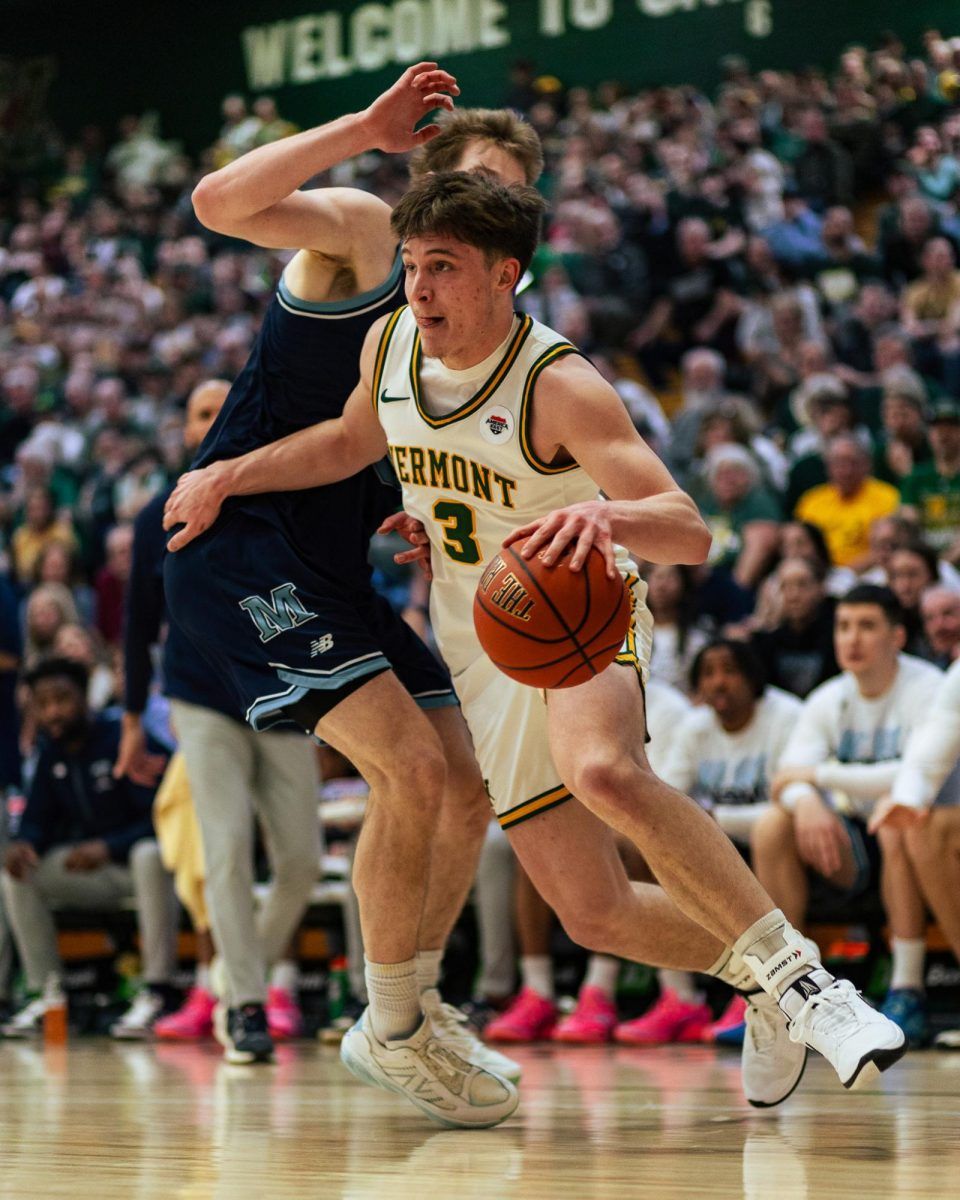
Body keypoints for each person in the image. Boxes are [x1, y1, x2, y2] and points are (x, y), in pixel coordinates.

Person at [166, 169, 907, 1111]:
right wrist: (229, 473)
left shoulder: (558, 384)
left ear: (504, 274)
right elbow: (351, 442)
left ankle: (808, 986)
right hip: (483, 642)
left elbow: (689, 529)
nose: (418, 287)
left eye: (442, 267)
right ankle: (763, 988)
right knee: (593, 912)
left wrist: (605, 516)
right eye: (410, 265)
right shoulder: (389, 343)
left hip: (577, 606)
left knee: (603, 770)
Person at [165, 67, 536, 1124]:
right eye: (478, 181)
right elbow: (216, 202)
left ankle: (415, 1003)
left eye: (512, 195)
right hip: (242, 546)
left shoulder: (474, 321)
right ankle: (392, 1023)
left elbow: (373, 447)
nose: (494, 203)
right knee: (410, 768)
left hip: (329, 566)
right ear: (430, 178)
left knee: (464, 783)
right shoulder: (369, 233)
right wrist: (362, 130)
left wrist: (411, 503)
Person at [117, 378, 320, 1056]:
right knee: (225, 853)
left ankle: (235, 976)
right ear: (184, 430)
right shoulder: (155, 517)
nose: (209, 422)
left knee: (301, 861)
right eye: (198, 413)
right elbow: (137, 626)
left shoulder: (277, 498)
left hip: (283, 696)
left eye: (219, 411)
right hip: (200, 700)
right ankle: (248, 1008)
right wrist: (130, 721)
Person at [756, 585, 944, 1046]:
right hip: (850, 842)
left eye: (866, 626)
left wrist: (820, 775)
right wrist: (806, 801)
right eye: (843, 627)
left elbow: (913, 773)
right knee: (773, 825)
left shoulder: (928, 688)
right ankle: (785, 993)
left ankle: (906, 988)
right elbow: (785, 778)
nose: (852, 638)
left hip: (920, 836)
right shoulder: (827, 698)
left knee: (895, 819)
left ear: (897, 636)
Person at [617, 640, 803, 1047]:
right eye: (708, 673)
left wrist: (716, 819)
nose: (718, 682)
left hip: (786, 844)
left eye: (730, 671)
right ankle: (679, 997)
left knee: (772, 829)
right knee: (645, 835)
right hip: (725, 843)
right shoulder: (695, 727)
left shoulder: (786, 715)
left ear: (753, 676)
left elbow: (791, 802)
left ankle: (779, 988)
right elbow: (665, 800)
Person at [0, 658, 178, 1039]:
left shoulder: (123, 739)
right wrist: (25, 844)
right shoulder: (50, 753)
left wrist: (108, 847)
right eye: (43, 704)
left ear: (85, 698)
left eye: (62, 699)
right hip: (94, 872)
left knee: (147, 854)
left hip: (149, 871)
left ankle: (158, 992)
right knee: (18, 873)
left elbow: (166, 815)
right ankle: (49, 997)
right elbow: (36, 819)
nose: (53, 712)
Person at [794, 434, 899, 569]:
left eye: (853, 463)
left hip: (872, 571)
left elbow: (888, 547)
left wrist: (847, 572)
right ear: (828, 467)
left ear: (866, 464)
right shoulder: (811, 501)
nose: (846, 471)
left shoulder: (886, 497)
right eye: (839, 463)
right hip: (821, 573)